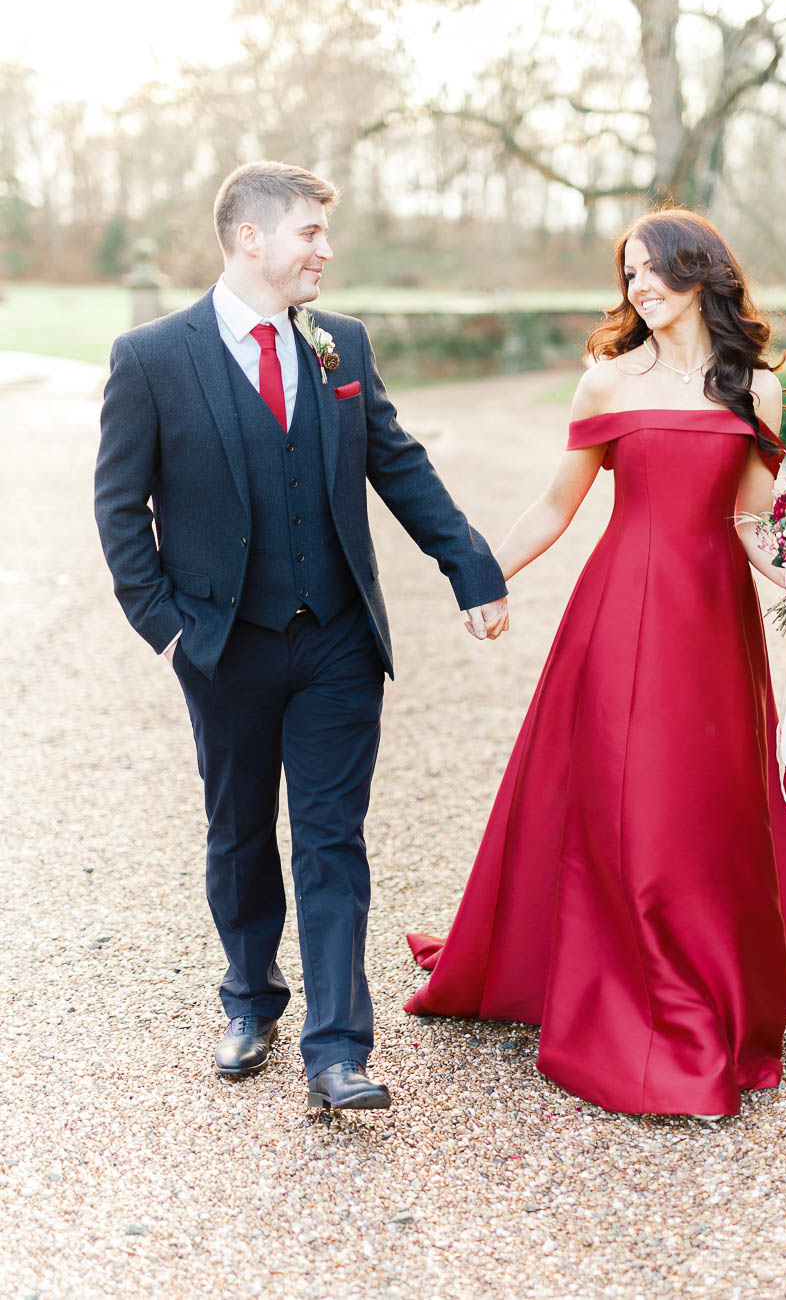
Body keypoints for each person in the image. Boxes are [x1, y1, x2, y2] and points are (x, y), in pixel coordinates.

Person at [406, 208, 786, 1119]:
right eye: (627, 275)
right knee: (632, 795)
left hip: (715, 622)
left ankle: (706, 969)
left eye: (654, 270)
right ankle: (647, 996)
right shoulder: (604, 383)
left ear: (699, 270)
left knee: (705, 798)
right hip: (622, 612)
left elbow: (749, 522)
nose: (640, 288)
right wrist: (483, 579)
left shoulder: (758, 389)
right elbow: (556, 507)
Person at [95, 160, 507, 1112]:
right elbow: (120, 511)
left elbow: (398, 464)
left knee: (333, 839)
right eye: (310, 233)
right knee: (239, 833)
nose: (326, 249)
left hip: (337, 641)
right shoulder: (152, 358)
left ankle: (337, 1048)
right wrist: (168, 630)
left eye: (325, 233)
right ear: (251, 239)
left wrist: (469, 567)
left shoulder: (342, 346)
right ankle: (250, 1000)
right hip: (222, 642)